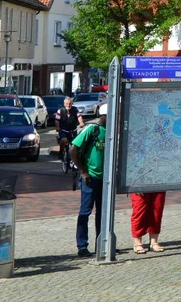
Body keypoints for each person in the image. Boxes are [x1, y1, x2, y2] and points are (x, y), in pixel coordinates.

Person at [71, 104, 111, 257]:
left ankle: (101, 244)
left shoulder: (110, 132)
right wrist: (83, 172)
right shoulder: (92, 130)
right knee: (85, 212)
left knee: (102, 213)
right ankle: (82, 246)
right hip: (90, 178)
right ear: (104, 116)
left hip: (105, 179)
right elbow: (73, 149)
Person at [53, 96, 83, 168]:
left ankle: (74, 160)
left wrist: (81, 123)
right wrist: (57, 127)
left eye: (70, 104)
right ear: (64, 104)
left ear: (72, 103)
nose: (68, 105)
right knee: (63, 140)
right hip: (64, 130)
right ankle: (61, 152)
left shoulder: (75, 110)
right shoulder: (60, 111)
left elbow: (79, 117)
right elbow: (57, 120)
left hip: (73, 130)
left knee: (76, 145)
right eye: (67, 104)